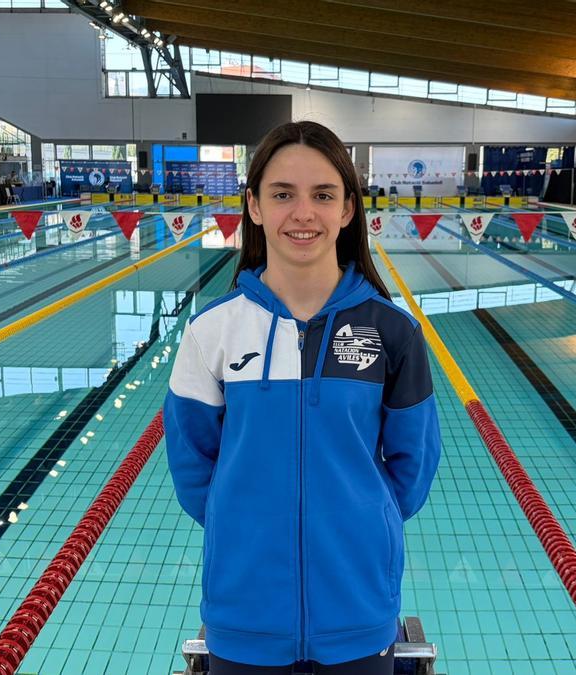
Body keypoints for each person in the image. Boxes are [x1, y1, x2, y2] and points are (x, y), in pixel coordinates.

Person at [164, 121, 442, 675]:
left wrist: (364, 517)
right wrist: (242, 521)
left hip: (359, 612)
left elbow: (414, 467)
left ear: (346, 210)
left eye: (323, 195)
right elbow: (193, 468)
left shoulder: (392, 332)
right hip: (244, 615)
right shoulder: (211, 331)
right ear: (255, 206)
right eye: (283, 194)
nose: (303, 213)